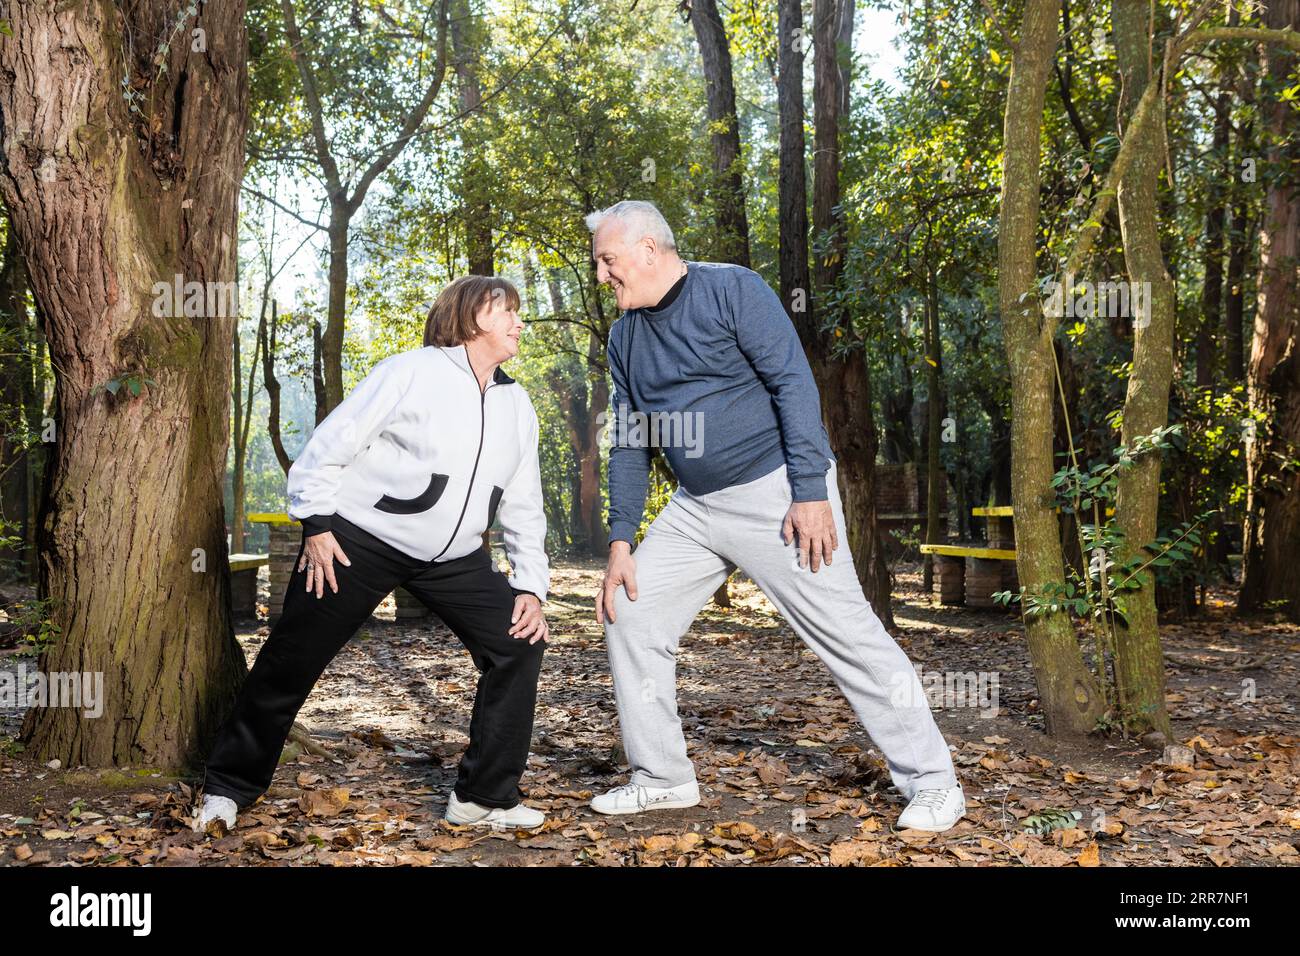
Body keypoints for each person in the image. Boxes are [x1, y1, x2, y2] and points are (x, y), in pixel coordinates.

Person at [587, 200, 965, 831]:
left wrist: (811, 490)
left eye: (608, 260)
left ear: (649, 249)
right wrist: (622, 538)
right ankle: (662, 777)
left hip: (775, 496)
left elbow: (793, 382)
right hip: (693, 508)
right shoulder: (624, 337)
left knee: (848, 635)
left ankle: (933, 783)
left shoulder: (733, 289)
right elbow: (628, 437)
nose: (603, 276)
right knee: (629, 611)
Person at [193, 276, 552, 832]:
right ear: (473, 316)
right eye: (507, 311)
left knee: (517, 642)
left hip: (455, 558)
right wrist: (316, 524)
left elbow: (524, 501)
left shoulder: (517, 403)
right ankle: (228, 786)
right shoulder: (411, 372)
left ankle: (483, 796)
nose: (519, 322)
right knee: (293, 657)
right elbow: (330, 444)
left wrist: (531, 585)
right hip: (359, 542)